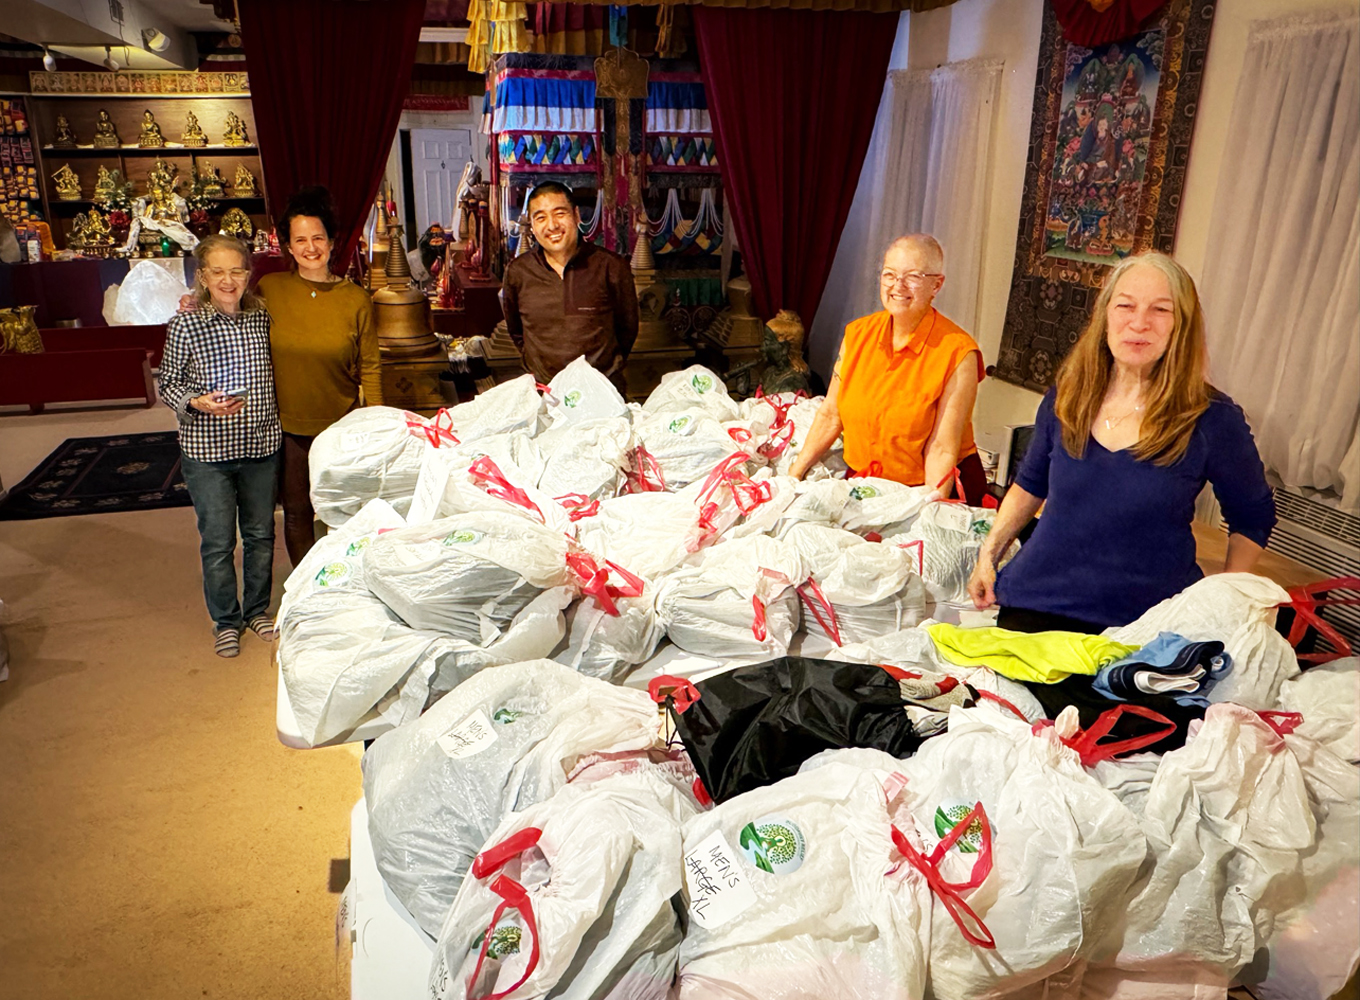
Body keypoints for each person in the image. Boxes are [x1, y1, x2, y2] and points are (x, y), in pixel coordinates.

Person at [967, 251, 1276, 634]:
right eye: (1125, 306)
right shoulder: (1068, 396)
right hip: (1037, 604)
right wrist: (988, 554)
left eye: (1160, 310)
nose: (1139, 323)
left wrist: (1226, 598)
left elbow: (1253, 516)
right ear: (1105, 316)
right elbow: (1030, 485)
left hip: (1146, 625)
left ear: (1182, 324)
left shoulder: (1211, 416)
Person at [788, 234, 986, 502]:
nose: (898, 286)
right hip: (865, 485)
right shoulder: (857, 334)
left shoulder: (958, 353)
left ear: (936, 285)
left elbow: (940, 448)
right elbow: (830, 414)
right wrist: (793, 475)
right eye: (889, 275)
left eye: (913, 277)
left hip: (929, 488)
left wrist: (927, 510)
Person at [157, 235, 281, 658]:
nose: (228, 280)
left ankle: (257, 610)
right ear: (203, 277)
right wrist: (195, 401)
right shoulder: (186, 324)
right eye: (218, 271)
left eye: (237, 270)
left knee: (262, 534)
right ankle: (226, 620)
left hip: (262, 443)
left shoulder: (262, 317)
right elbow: (167, 383)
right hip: (208, 452)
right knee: (217, 540)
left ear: (249, 275)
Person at [257, 186, 383, 565]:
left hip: (341, 426)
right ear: (288, 246)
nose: (310, 247)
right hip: (288, 427)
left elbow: (372, 367)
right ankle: (306, 589)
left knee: (344, 513)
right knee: (296, 513)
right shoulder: (270, 290)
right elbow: (230, 315)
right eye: (300, 240)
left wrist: (376, 425)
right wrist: (194, 302)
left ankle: (345, 586)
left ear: (332, 241)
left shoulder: (356, 299)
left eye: (318, 238)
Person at [499, 181, 639, 393]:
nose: (552, 225)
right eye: (541, 218)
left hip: (602, 394)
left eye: (560, 213)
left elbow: (627, 328)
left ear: (576, 215)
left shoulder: (611, 266)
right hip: (544, 395)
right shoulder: (519, 272)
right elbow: (517, 332)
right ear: (533, 226)